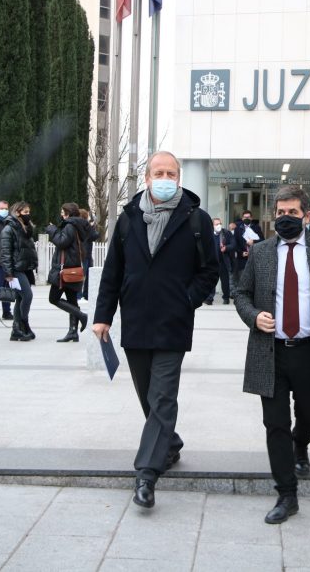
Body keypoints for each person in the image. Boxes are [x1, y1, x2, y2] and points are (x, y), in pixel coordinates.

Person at [93, 151, 218, 511]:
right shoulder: (129, 219)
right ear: (147, 178)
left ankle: (146, 474)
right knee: (148, 397)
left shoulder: (196, 220)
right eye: (157, 172)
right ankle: (170, 444)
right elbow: (113, 272)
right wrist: (103, 316)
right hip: (136, 322)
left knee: (162, 398)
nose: (164, 178)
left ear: (179, 178)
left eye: (170, 173)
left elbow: (209, 270)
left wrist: (187, 300)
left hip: (172, 324)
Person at [234, 186, 310, 524]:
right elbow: (242, 294)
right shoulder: (261, 253)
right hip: (269, 351)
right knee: (274, 423)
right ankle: (287, 494)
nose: (286, 219)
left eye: (293, 213)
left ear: (307, 216)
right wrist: (253, 316)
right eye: (281, 214)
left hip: (308, 352)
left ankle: (300, 445)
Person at [45, 203, 92, 343]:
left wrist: (52, 230)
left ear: (68, 213)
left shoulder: (70, 226)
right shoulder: (79, 225)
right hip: (74, 268)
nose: (61, 214)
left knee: (53, 298)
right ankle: (73, 332)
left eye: (62, 212)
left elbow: (62, 242)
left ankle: (82, 317)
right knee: (72, 301)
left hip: (65, 269)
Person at [0, 202, 38, 342]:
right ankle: (23, 324)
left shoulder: (26, 229)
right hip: (16, 269)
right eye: (25, 212)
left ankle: (17, 330)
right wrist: (9, 273)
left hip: (25, 268)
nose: (28, 214)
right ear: (17, 213)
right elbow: (4, 253)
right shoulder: (9, 229)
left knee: (21, 298)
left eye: (29, 211)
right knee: (27, 295)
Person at [207, 217, 235, 305]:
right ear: (212, 226)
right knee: (211, 280)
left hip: (223, 261)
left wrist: (226, 248)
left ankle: (226, 298)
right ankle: (209, 298)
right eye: (216, 224)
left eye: (220, 223)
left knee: (225, 281)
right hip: (212, 261)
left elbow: (233, 244)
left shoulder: (226, 233)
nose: (219, 226)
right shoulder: (208, 233)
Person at [233, 210, 264, 288]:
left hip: (254, 256)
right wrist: (241, 253)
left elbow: (263, 241)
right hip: (242, 258)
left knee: (253, 280)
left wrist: (254, 241)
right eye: (245, 217)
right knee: (242, 280)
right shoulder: (238, 229)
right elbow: (235, 243)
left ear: (251, 218)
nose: (246, 218)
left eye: (248, 217)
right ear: (242, 218)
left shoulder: (257, 227)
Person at [77, 209, 99, 300]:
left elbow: (94, 236)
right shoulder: (83, 227)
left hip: (88, 254)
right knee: (82, 275)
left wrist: (93, 226)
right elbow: (94, 235)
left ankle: (86, 294)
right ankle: (78, 295)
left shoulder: (86, 226)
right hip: (84, 254)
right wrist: (92, 227)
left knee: (89, 276)